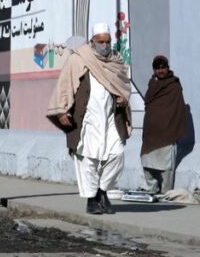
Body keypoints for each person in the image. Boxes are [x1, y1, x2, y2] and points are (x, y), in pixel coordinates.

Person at [46, 23, 131, 215]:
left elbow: (123, 86)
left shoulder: (115, 60)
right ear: (92, 41)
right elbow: (65, 85)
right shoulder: (79, 59)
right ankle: (92, 199)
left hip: (111, 117)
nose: (105, 45)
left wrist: (122, 99)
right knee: (88, 159)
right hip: (87, 119)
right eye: (101, 41)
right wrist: (62, 112)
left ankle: (102, 191)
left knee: (117, 155)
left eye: (108, 41)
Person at [141, 55, 187, 194]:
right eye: (157, 68)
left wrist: (172, 127)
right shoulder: (152, 83)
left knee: (166, 167)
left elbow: (177, 108)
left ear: (168, 68)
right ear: (154, 70)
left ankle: (167, 193)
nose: (160, 71)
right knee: (147, 163)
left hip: (168, 132)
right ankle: (151, 190)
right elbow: (149, 102)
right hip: (151, 133)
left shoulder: (173, 85)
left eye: (163, 68)